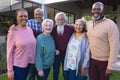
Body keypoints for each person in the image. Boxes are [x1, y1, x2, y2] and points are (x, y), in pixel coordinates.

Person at [87, 2, 119, 80]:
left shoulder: (110, 24)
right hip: (92, 60)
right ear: (91, 10)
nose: (96, 11)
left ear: (103, 10)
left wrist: (110, 66)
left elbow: (115, 46)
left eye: (99, 9)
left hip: (105, 62)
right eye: (94, 9)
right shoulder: (88, 24)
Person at [7, 8, 36, 80]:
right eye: (21, 16)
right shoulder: (13, 32)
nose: (23, 18)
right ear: (17, 18)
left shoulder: (30, 30)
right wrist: (10, 71)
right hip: (18, 67)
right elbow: (9, 53)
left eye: (25, 16)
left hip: (29, 64)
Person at [52, 12, 74, 80]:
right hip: (56, 55)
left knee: (65, 72)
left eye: (62, 19)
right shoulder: (53, 29)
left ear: (65, 20)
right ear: (56, 20)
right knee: (56, 72)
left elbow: (80, 29)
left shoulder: (70, 28)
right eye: (58, 19)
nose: (60, 21)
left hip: (67, 55)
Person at [27, 8, 43, 80]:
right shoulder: (29, 22)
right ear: (34, 15)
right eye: (36, 14)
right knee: (31, 74)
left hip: (42, 53)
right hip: (31, 52)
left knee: (41, 74)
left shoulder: (45, 23)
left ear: (42, 15)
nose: (38, 16)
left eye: (39, 14)